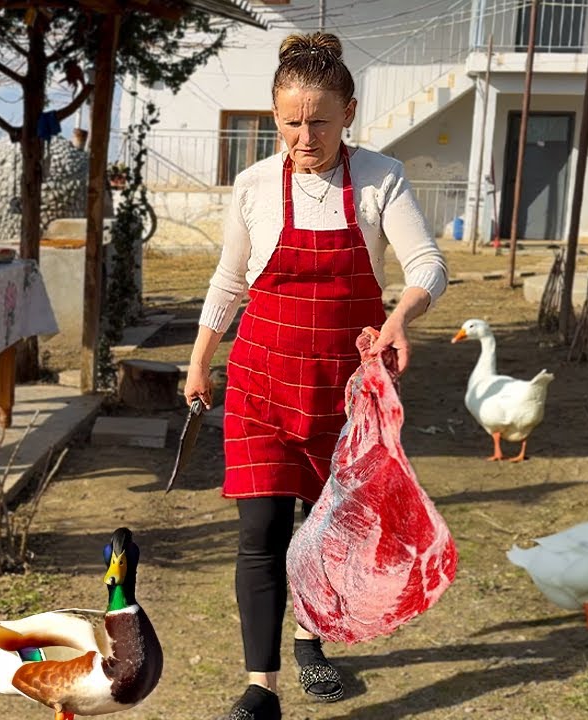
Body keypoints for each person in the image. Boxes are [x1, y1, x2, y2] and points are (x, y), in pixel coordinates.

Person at [183, 32, 449, 719]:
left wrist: (400, 317)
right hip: (260, 382)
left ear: (349, 113)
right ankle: (259, 688)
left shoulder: (382, 177)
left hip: (344, 391)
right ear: (275, 118)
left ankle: (310, 642)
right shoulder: (252, 187)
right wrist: (200, 357)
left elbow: (428, 265)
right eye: (290, 122)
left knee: (327, 528)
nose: (304, 137)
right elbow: (229, 279)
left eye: (319, 121)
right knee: (260, 535)